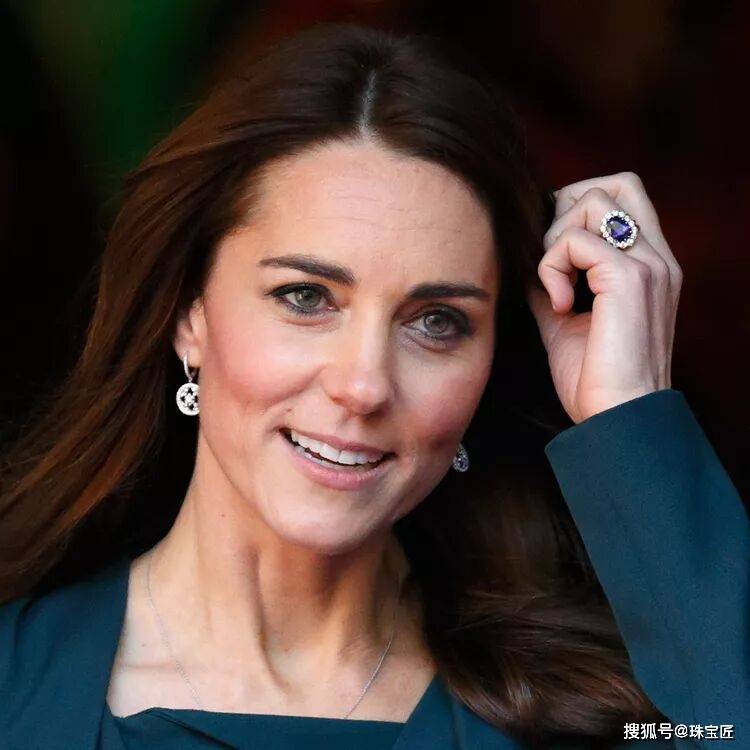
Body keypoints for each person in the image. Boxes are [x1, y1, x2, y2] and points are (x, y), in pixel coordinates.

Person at [0, 21, 746, 750]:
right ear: (188, 313)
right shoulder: (15, 686)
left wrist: (628, 410)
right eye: (305, 297)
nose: (363, 385)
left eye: (436, 322)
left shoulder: (583, 720)